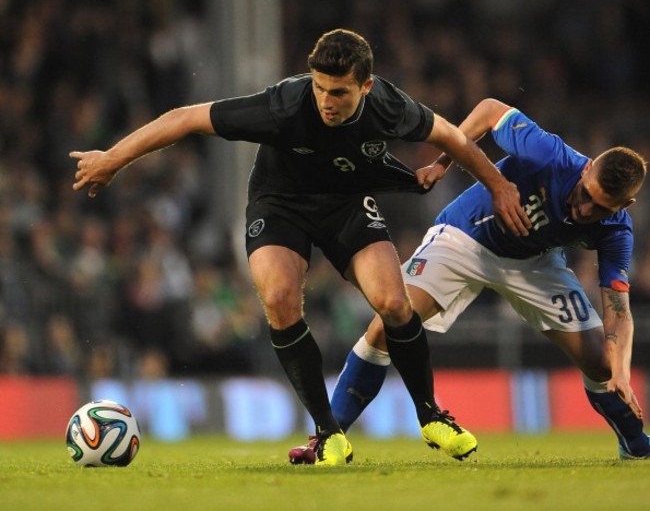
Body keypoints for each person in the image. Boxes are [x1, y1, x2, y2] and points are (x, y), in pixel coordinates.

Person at [70, 30, 531, 466]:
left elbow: (452, 136)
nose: (326, 102)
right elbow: (185, 118)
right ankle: (329, 432)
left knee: (394, 302)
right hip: (280, 204)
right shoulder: (283, 106)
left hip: (346, 203)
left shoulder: (390, 106)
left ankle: (431, 417)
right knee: (279, 299)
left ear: (366, 87)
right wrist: (114, 158)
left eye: (339, 93)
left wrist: (499, 185)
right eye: (320, 88)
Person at [289, 97, 650, 463]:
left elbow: (618, 308)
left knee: (603, 363)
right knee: (388, 325)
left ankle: (636, 445)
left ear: (626, 205)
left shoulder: (616, 231)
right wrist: (444, 162)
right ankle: (327, 438)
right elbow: (491, 110)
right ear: (587, 169)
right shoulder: (549, 155)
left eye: (601, 207)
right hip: (465, 238)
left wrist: (622, 371)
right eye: (586, 194)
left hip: (535, 262)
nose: (585, 209)